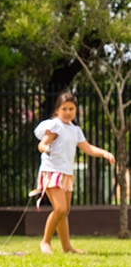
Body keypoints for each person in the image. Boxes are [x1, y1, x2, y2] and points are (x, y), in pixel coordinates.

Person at [31, 91, 114, 254]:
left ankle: (66, 246)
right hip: (52, 172)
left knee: (64, 212)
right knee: (60, 209)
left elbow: (87, 148)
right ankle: (45, 241)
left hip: (67, 173)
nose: (68, 112)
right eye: (64, 109)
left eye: (71, 109)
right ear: (57, 110)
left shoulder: (75, 130)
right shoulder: (55, 126)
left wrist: (105, 153)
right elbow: (42, 144)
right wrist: (45, 148)